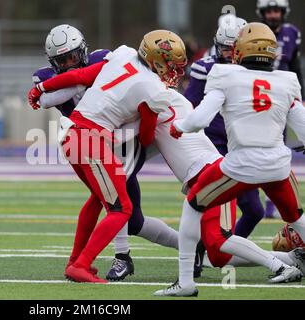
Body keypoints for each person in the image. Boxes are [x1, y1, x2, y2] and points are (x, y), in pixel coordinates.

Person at [31, 29, 305, 291]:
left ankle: (281, 263)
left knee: (213, 241)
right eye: (170, 64)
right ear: (155, 60)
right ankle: (287, 262)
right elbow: (147, 131)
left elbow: (83, 78)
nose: (174, 71)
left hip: (205, 171)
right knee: (205, 245)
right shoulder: (155, 92)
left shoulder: (126, 59)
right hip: (209, 170)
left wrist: (42, 89)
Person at [156, 22, 305, 297]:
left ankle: (186, 282)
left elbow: (200, 118)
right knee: (296, 218)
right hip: (278, 166)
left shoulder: (225, 75)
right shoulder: (286, 80)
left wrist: (180, 127)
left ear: (240, 51)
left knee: (193, 205)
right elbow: (303, 126)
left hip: (241, 165)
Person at [31, 25, 179, 281]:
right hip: (94, 140)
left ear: (83, 50)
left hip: (118, 139)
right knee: (119, 208)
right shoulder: (120, 62)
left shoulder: (113, 59)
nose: (68, 64)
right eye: (62, 61)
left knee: (123, 212)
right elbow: (54, 95)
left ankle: (189, 247)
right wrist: (49, 87)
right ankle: (114, 258)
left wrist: (48, 87)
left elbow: (72, 84)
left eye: (73, 57)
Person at [256, 0, 305, 218]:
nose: (274, 15)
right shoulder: (252, 31)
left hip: (281, 97)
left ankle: (270, 204)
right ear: (262, 13)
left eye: (277, 11)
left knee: (278, 148)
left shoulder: (292, 33)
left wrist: (300, 97)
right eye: (270, 11)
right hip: (254, 96)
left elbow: (295, 67)